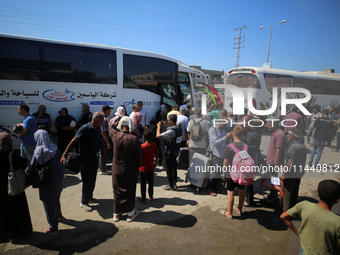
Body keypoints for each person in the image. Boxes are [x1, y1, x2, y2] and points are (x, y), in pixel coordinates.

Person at [60, 112, 106, 212]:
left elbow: (100, 141)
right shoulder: (85, 128)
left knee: (93, 178)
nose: (103, 122)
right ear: (97, 120)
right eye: (102, 120)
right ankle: (84, 202)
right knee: (87, 180)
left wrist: (104, 152)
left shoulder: (98, 128)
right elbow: (73, 140)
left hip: (94, 157)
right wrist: (64, 154)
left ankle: (90, 196)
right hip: (85, 159)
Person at [280, 180, 340, 255]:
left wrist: (298, 233)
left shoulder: (304, 205)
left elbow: (283, 216)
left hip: (304, 250)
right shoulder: (337, 222)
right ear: (337, 200)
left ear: (318, 191)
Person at [29, 130, 64, 235]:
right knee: (56, 198)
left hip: (47, 180)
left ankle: (54, 228)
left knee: (48, 203)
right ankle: (59, 216)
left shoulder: (39, 150)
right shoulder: (54, 147)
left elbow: (32, 166)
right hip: (58, 177)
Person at [0, 133, 33, 243]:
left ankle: (4, 232)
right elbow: (25, 164)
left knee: (3, 211)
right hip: (12, 188)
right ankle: (17, 234)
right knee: (16, 210)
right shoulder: (11, 156)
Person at [109, 116, 142, 222]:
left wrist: (117, 122)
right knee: (130, 191)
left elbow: (110, 127)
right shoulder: (134, 139)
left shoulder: (115, 136)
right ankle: (130, 214)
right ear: (131, 125)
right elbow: (139, 158)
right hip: (130, 169)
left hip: (116, 169)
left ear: (121, 125)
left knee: (117, 190)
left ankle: (116, 214)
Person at [219, 125, 247, 220]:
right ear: (242, 134)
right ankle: (239, 208)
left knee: (230, 192)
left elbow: (226, 161)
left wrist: (223, 173)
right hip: (242, 173)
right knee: (241, 190)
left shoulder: (229, 147)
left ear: (233, 134)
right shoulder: (246, 146)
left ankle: (229, 213)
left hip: (231, 173)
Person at [280, 129, 306, 212]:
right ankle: (294, 210)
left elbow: (290, 162)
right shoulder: (302, 146)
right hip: (298, 173)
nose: (287, 136)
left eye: (289, 135)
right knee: (295, 193)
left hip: (290, 174)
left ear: (294, 136)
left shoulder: (293, 147)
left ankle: (286, 213)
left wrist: (284, 174)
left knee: (287, 194)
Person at [207, 110, 231, 196]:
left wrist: (229, 139)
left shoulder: (223, 129)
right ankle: (209, 187)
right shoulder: (213, 130)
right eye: (225, 124)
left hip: (223, 154)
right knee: (215, 172)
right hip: (216, 155)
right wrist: (225, 137)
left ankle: (216, 186)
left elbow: (224, 141)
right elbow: (215, 142)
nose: (226, 126)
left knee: (219, 172)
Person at [156, 114, 182, 190]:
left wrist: (159, 127)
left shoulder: (171, 131)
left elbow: (158, 136)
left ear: (171, 121)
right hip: (176, 151)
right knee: (174, 167)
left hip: (169, 152)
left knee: (169, 169)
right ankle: (174, 183)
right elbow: (171, 132)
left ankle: (170, 185)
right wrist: (166, 125)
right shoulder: (179, 128)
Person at [264, 120, 286, 202]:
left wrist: (276, 163)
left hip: (274, 162)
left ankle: (273, 197)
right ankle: (272, 195)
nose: (267, 126)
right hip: (272, 161)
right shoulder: (276, 133)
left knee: (274, 179)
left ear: (275, 125)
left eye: (269, 125)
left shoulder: (279, 134)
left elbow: (278, 149)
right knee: (272, 178)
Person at [138, 129, 158, 204]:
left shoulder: (142, 146)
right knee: (151, 182)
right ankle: (151, 196)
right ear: (152, 137)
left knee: (143, 184)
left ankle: (143, 198)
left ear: (144, 137)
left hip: (143, 168)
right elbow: (157, 154)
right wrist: (155, 162)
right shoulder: (154, 145)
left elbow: (139, 157)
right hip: (151, 166)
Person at [99, 105, 113, 175]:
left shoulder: (107, 117)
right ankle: (102, 169)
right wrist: (107, 142)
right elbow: (103, 132)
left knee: (104, 153)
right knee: (103, 153)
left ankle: (103, 167)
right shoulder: (104, 119)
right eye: (109, 110)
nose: (110, 111)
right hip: (104, 139)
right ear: (106, 110)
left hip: (105, 138)